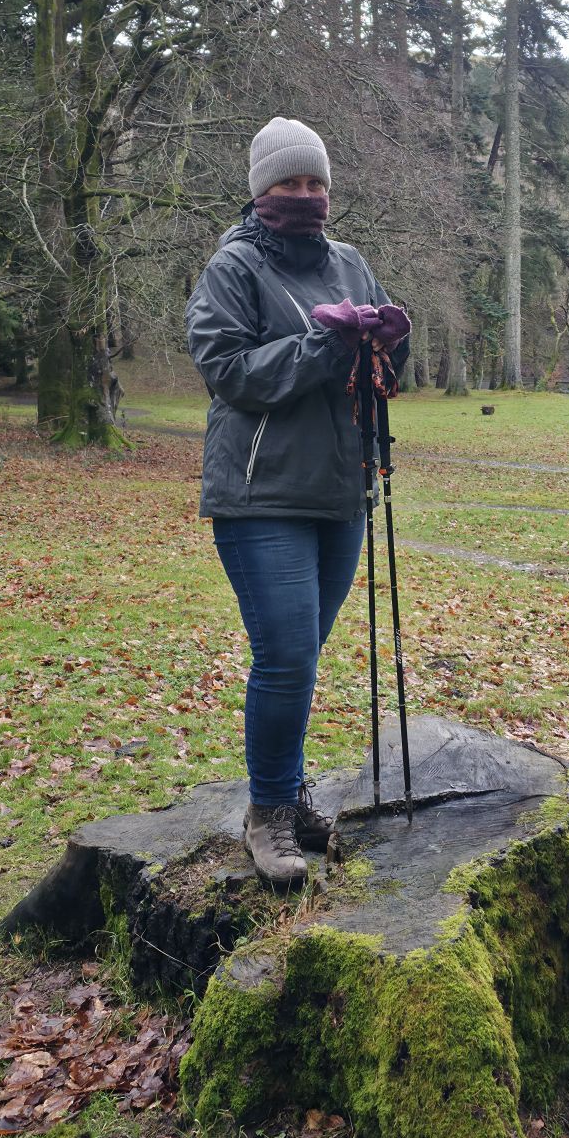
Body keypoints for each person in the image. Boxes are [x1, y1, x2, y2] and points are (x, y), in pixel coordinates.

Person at [185, 117, 410, 886]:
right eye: (290, 183)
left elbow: (381, 361)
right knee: (283, 656)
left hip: (340, 488)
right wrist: (327, 344)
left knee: (301, 660)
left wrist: (386, 336)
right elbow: (230, 370)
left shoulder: (350, 261)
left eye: (316, 183)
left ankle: (287, 790)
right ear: (261, 191)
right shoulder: (233, 267)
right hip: (260, 493)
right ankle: (269, 814)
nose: (305, 196)